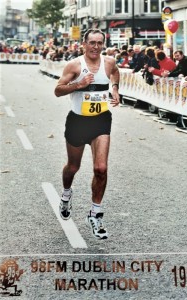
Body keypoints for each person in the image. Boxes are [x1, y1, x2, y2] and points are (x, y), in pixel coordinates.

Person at [54, 29, 120, 240]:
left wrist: (116, 89)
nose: (96, 47)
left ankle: (95, 214)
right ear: (83, 44)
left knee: (101, 168)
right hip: (77, 122)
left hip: (101, 120)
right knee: (73, 167)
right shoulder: (74, 65)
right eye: (92, 43)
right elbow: (58, 90)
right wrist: (79, 85)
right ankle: (66, 194)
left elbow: (116, 72)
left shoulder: (108, 63)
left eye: (100, 43)